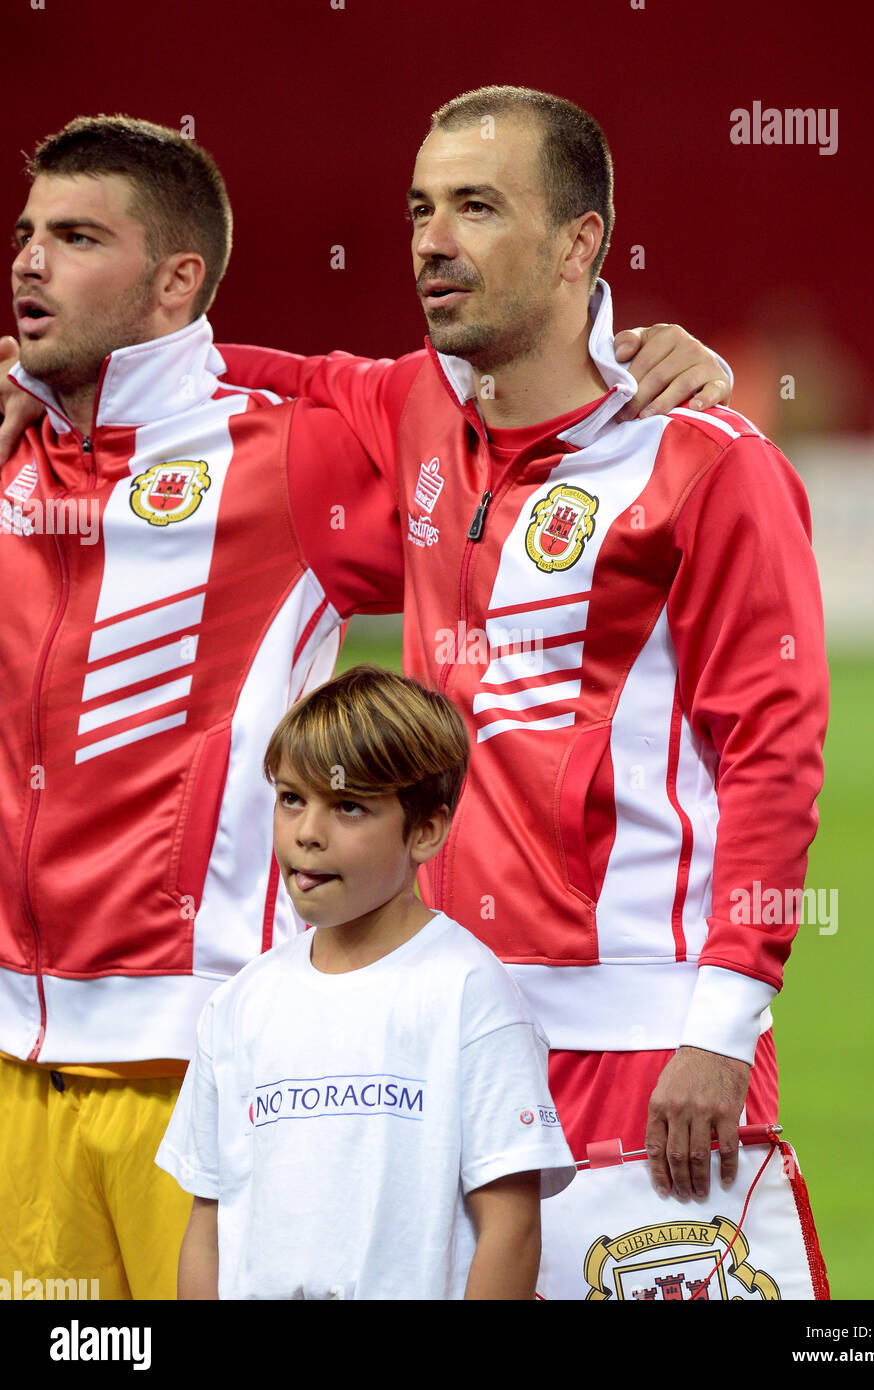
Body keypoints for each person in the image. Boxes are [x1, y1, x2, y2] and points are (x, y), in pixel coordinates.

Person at [0, 112, 730, 1299]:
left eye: (76, 236)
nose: (30, 260)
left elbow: (512, 439)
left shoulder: (294, 456)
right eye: (27, 233)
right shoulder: (13, 445)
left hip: (202, 1056)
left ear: (179, 278)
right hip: (12, 1071)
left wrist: (627, 364)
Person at [216, 86, 831, 1219]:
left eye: (477, 208)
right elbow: (235, 379)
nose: (431, 242)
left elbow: (773, 756)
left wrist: (719, 1026)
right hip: (450, 1029)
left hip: (645, 1046)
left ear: (576, 243)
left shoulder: (705, 462)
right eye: (418, 209)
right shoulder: (406, 408)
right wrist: (32, 379)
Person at [157, 664, 576, 1300]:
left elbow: (511, 1228)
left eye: (348, 807)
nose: (307, 833)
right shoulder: (238, 1005)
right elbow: (209, 1224)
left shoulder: (470, 994)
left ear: (427, 830)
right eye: (292, 798)